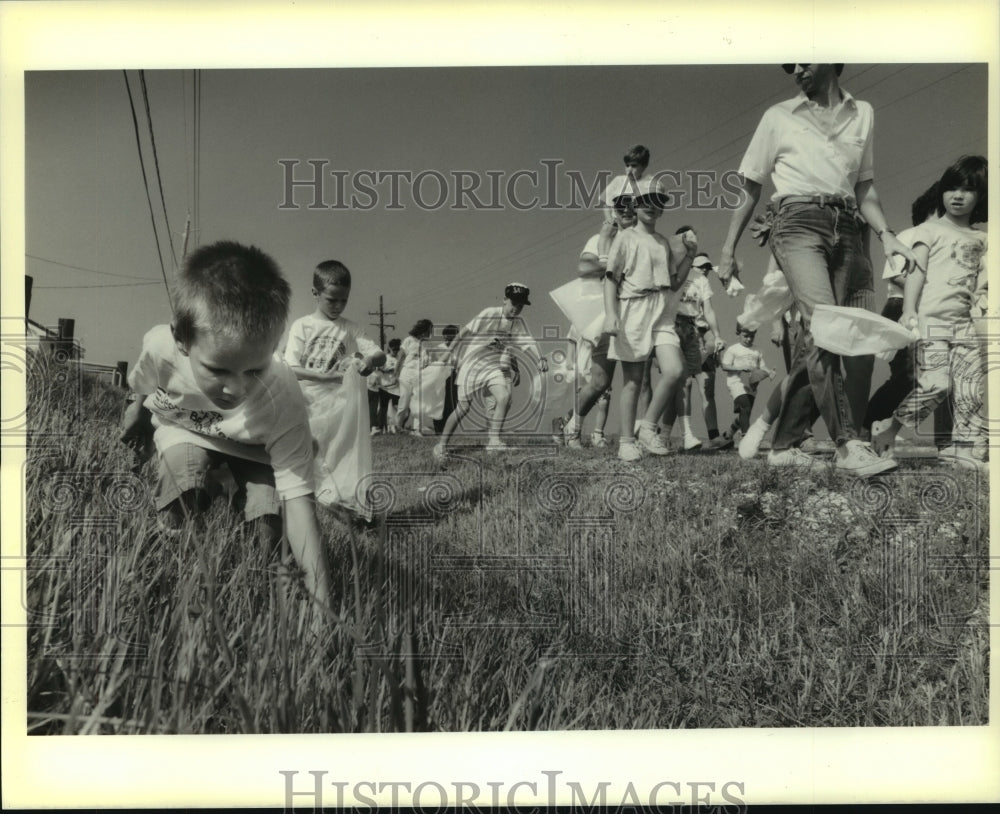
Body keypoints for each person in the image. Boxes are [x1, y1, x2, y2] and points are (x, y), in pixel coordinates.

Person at [717, 63, 917, 477]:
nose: (796, 70)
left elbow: (864, 186)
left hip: (847, 225)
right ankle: (848, 444)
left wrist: (887, 235)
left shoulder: (863, 113)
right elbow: (751, 187)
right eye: (789, 65)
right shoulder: (777, 116)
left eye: (803, 60)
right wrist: (727, 249)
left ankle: (783, 444)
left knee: (823, 339)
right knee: (824, 325)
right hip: (796, 220)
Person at [120, 240, 332, 611]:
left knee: (267, 527)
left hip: (253, 447)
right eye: (217, 369)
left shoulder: (283, 396)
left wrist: (322, 607)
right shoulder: (160, 346)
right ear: (182, 340)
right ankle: (174, 572)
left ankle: (232, 501)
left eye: (254, 369)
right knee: (181, 485)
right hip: (186, 429)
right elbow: (144, 383)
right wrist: (137, 415)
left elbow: (300, 506)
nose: (236, 388)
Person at [871, 155, 988, 471]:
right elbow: (916, 273)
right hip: (931, 321)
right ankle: (889, 427)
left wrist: (982, 298)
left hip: (964, 324)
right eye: (952, 188)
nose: (958, 195)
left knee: (968, 388)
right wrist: (909, 310)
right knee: (936, 385)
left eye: (968, 189)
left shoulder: (983, 238)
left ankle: (961, 449)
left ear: (982, 195)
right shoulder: (929, 230)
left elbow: (982, 283)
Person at [602, 176, 698, 461]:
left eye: (658, 203)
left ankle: (647, 427)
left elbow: (673, 282)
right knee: (633, 381)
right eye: (646, 202)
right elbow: (610, 279)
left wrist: (690, 257)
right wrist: (611, 314)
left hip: (662, 309)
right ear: (636, 204)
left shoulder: (662, 243)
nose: (652, 208)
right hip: (633, 309)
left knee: (675, 370)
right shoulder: (625, 237)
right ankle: (626, 442)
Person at [863, 183, 953, 444]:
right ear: (935, 207)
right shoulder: (910, 234)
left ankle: (945, 442)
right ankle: (868, 425)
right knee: (906, 378)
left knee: (941, 379)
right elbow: (899, 276)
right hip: (901, 309)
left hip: (934, 314)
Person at [433, 283, 547, 460]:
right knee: (463, 408)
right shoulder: (489, 313)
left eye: (520, 306)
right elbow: (463, 333)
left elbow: (528, 342)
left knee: (504, 397)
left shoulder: (517, 323)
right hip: (473, 365)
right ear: (504, 300)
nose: (516, 309)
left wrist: (540, 358)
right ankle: (441, 446)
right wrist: (448, 354)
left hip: (492, 368)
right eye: (513, 304)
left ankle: (494, 441)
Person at [562, 200, 641, 449]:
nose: (627, 210)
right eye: (621, 206)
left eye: (632, 205)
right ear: (614, 212)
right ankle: (572, 428)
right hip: (606, 313)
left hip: (636, 314)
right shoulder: (599, 238)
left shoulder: (643, 240)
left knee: (640, 377)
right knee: (599, 382)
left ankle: (636, 437)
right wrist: (611, 262)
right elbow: (583, 267)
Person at [283, 259, 386, 403]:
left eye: (344, 300)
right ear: (315, 293)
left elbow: (380, 355)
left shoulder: (351, 328)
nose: (338, 306)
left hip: (339, 403)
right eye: (331, 300)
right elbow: (291, 368)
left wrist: (371, 360)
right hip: (306, 402)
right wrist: (323, 378)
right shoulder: (301, 325)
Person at [659, 247, 725, 451]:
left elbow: (709, 310)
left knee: (682, 385)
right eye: (701, 266)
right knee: (682, 382)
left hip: (691, 330)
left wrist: (718, 335)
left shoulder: (702, 282)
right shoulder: (673, 274)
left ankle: (664, 436)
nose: (705, 270)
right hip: (671, 325)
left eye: (708, 267)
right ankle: (679, 434)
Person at [719, 324, 776, 444]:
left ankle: (729, 433)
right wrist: (740, 367)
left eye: (752, 336)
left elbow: (762, 366)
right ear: (738, 334)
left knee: (746, 412)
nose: (749, 339)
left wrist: (769, 372)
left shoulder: (758, 350)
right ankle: (746, 440)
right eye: (746, 336)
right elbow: (724, 366)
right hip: (736, 383)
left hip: (752, 385)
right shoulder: (733, 349)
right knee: (745, 407)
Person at [393, 318, 433, 434]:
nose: (430, 333)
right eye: (429, 330)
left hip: (420, 374)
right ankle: (398, 426)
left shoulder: (427, 344)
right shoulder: (409, 340)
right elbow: (401, 357)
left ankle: (417, 429)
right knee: (404, 402)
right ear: (423, 330)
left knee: (418, 402)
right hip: (407, 373)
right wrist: (396, 372)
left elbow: (428, 361)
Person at [432, 324, 460, 434]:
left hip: (453, 378)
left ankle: (447, 431)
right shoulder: (438, 349)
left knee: (452, 405)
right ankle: (438, 430)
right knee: (439, 405)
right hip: (440, 378)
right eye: (447, 338)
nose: (449, 340)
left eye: (452, 338)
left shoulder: (458, 350)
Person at [376, 338, 401, 433]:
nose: (396, 351)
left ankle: (396, 427)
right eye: (394, 349)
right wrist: (385, 370)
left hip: (396, 387)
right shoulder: (385, 358)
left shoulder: (399, 359)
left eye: (398, 349)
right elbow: (376, 368)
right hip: (385, 386)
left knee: (397, 407)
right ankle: (381, 428)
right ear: (389, 348)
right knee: (383, 408)